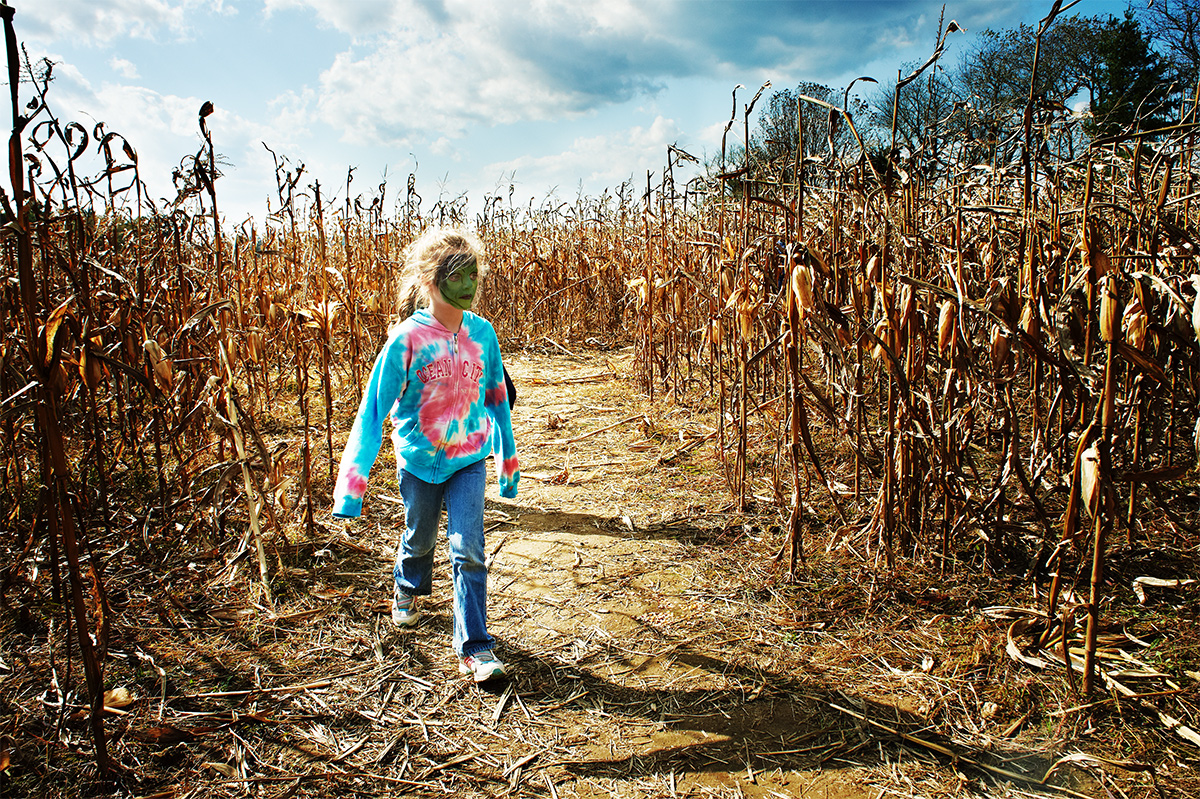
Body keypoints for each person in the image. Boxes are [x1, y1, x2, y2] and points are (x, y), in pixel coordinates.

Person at [332, 226, 519, 683]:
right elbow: (372, 413)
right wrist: (351, 489)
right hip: (418, 460)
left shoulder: (483, 334)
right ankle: (408, 588)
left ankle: (475, 648)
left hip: (468, 460)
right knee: (420, 538)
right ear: (432, 281)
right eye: (460, 275)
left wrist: (506, 464)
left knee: (468, 549)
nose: (472, 284)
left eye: (475, 274)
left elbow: (497, 398)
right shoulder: (406, 340)